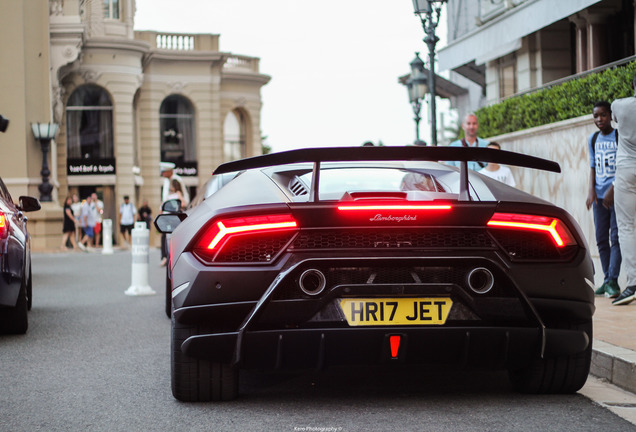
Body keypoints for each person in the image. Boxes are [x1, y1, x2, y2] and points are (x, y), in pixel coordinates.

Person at [585, 101, 621, 298]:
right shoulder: (593, 139)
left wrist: (613, 189)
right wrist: (591, 191)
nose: (599, 119)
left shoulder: (619, 136)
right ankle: (607, 278)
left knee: (615, 237)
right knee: (600, 239)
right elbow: (592, 167)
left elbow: (624, 165)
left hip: (616, 196)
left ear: (610, 115)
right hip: (599, 198)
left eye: (603, 115)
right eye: (596, 116)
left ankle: (613, 280)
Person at [610, 75, 636, 305]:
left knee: (626, 227)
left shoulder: (620, 104)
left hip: (627, 169)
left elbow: (614, 119)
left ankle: (634, 282)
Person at [159, 162, 189, 266]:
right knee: (164, 236)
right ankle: (165, 257)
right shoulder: (166, 181)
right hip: (166, 213)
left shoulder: (177, 180)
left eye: (164, 172)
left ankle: (172, 257)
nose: (162, 174)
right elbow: (165, 199)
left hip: (174, 214)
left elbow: (184, 198)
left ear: (169, 171)